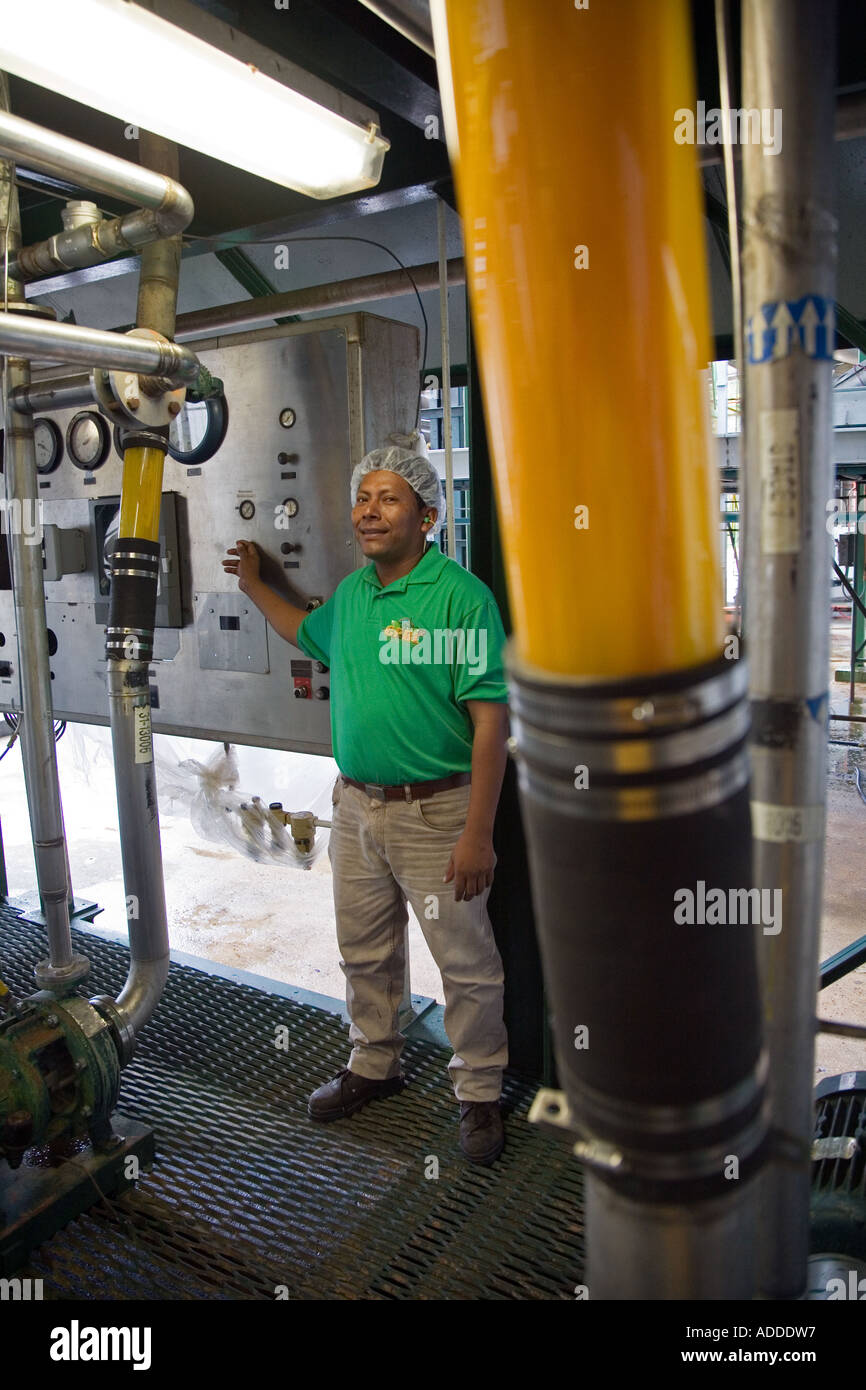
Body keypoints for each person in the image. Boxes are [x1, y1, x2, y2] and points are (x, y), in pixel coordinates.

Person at [222, 442, 510, 1164]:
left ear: (428, 516)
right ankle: (374, 1066)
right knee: (364, 950)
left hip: (437, 814)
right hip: (356, 809)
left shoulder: (459, 597)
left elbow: (491, 721)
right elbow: (302, 631)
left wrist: (479, 831)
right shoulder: (352, 596)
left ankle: (478, 1094)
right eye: (363, 499)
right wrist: (255, 584)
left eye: (388, 499)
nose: (369, 511)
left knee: (465, 963)